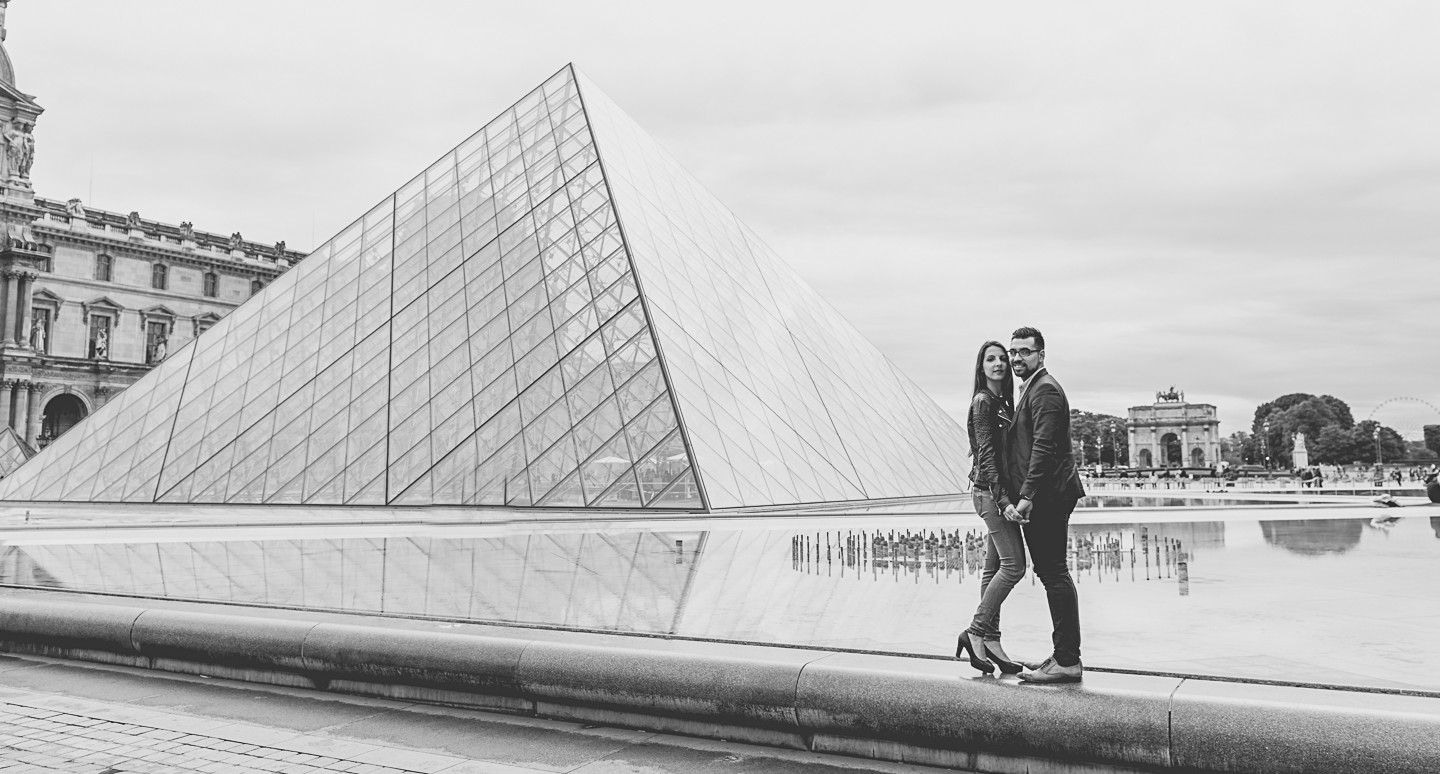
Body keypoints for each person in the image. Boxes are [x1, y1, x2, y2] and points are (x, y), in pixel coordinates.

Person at [1002, 326, 1087, 683]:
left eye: (1024, 351)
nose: (1017, 358)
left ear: (1041, 355)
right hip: (1047, 494)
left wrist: (1027, 497)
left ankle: (1067, 659)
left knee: (1053, 573)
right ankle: (1063, 655)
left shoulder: (1046, 390)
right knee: (1052, 573)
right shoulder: (1034, 389)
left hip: (1048, 497)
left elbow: (1044, 448)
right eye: (1013, 352)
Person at [956, 341, 1024, 675]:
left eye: (1002, 358)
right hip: (991, 494)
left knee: (993, 567)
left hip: (992, 492)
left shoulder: (1003, 402)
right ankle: (976, 631)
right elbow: (986, 454)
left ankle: (992, 640)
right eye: (990, 359)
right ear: (981, 367)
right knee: (1015, 567)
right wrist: (1005, 500)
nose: (998, 363)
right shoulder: (984, 402)